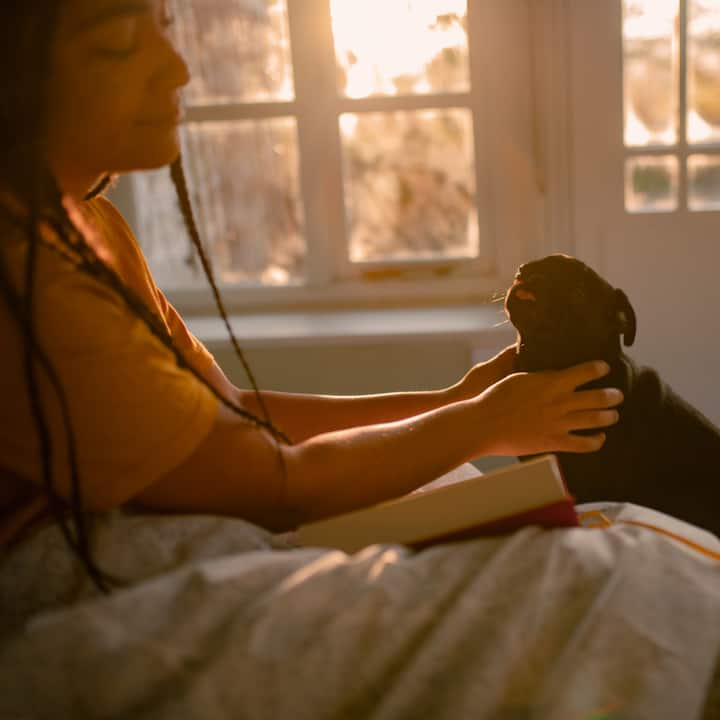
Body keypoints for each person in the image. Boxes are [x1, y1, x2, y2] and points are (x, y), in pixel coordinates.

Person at [1, 2, 717, 718]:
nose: (177, 68)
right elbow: (279, 486)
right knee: (618, 584)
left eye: (163, 25)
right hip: (71, 567)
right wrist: (482, 423)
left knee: (543, 519)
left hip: (168, 519)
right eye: (124, 42)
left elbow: (235, 416)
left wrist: (455, 401)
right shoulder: (25, 276)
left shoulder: (85, 225)